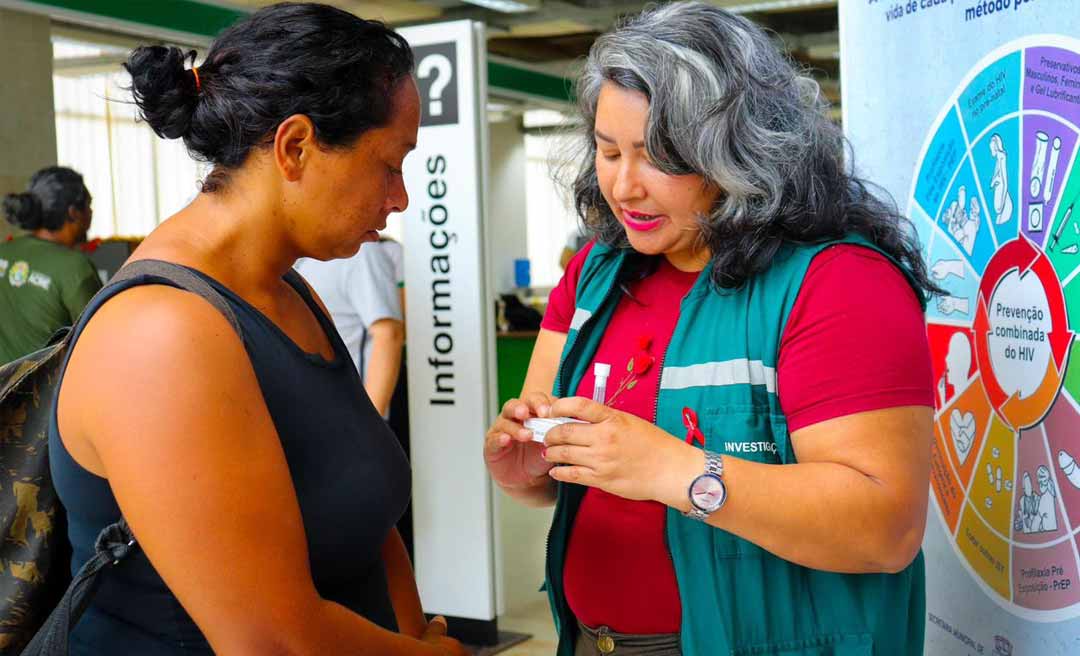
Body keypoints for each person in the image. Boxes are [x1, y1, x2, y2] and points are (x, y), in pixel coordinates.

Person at [483, 3, 938, 655]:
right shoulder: (597, 274)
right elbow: (553, 466)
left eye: (657, 158)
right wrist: (530, 470)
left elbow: (884, 529)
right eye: (608, 152)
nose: (623, 186)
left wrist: (674, 469)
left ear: (739, 151)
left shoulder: (838, 283)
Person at [50, 5, 465, 655]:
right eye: (390, 164)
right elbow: (270, 641)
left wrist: (414, 634)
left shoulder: (288, 293)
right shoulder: (161, 336)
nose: (401, 198)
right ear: (295, 147)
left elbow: (370, 522)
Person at [295, 236, 405, 418]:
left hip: (349, 414)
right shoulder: (299, 260)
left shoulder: (361, 253)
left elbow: (389, 334)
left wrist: (371, 423)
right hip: (310, 412)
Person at [0, 166, 101, 364]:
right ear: (73, 212)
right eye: (88, 205)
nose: (91, 212)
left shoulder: (3, 251)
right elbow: (100, 337)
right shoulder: (73, 267)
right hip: (45, 383)